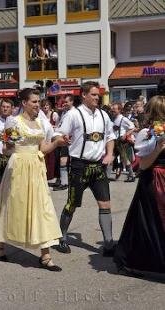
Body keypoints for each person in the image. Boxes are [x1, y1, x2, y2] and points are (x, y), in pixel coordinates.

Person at [0, 88, 67, 271]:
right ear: (24, 103)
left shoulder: (40, 123)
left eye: (38, 102)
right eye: (34, 102)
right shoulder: (14, 121)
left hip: (36, 166)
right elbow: (6, 149)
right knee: (12, 206)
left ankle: (46, 255)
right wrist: (9, 142)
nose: (37, 105)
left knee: (42, 208)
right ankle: (0, 244)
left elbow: (43, 149)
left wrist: (57, 143)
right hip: (18, 166)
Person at [54, 81, 116, 256]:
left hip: (98, 167)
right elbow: (58, 133)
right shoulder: (73, 114)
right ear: (84, 95)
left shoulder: (104, 115)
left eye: (98, 95)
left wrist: (110, 154)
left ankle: (109, 244)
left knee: (105, 204)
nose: (97, 97)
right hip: (79, 166)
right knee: (72, 204)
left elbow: (110, 136)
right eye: (94, 94)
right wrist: (62, 138)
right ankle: (62, 237)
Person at [114, 95, 165, 274]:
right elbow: (143, 165)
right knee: (148, 222)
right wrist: (159, 148)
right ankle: (134, 260)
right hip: (154, 179)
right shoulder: (148, 133)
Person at [111, 103, 135, 182]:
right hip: (116, 141)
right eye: (112, 108)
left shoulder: (123, 119)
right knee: (113, 157)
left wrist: (126, 134)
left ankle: (131, 176)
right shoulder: (115, 118)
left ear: (119, 110)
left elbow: (132, 127)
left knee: (124, 158)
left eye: (114, 109)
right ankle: (111, 176)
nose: (112, 110)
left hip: (121, 142)